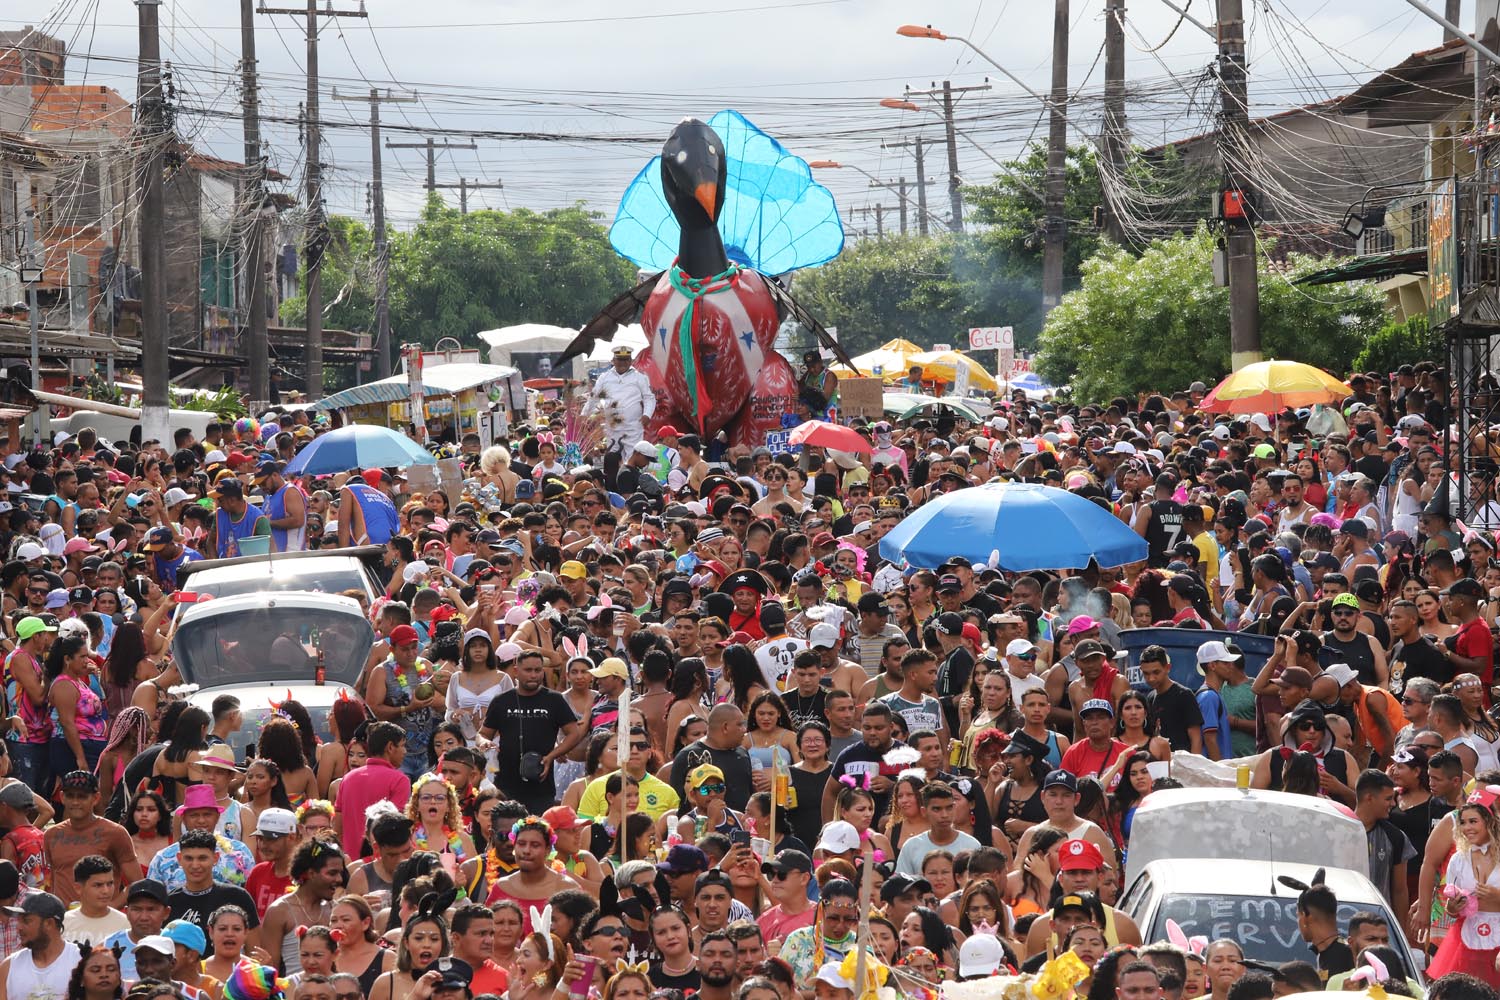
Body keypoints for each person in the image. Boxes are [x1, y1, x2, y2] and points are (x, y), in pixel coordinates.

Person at [480, 650, 585, 814]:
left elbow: (574, 733)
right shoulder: (502, 701)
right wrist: (485, 743)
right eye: (528, 670)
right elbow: (483, 733)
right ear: (516, 671)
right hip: (506, 785)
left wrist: (552, 756)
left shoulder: (554, 700)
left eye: (538, 670)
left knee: (540, 834)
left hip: (541, 786)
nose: (534, 675)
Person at [43, 771, 139, 907]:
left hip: (103, 923)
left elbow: (137, 882)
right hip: (65, 922)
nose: (75, 802)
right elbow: (50, 880)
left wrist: (110, 909)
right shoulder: (51, 835)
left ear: (95, 798)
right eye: (70, 796)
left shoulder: (115, 833)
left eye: (82, 796)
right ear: (62, 797)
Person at [0, 893, 79, 1000]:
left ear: (49, 923)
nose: (19, 927)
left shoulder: (79, 960)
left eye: (26, 921)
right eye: (19, 920)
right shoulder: (8, 967)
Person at [586, 346, 657, 454]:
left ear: (631, 361)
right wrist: (585, 414)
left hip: (633, 426)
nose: (623, 363)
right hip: (612, 427)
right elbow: (594, 397)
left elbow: (649, 398)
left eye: (626, 359)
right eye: (619, 359)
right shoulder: (604, 377)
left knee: (633, 456)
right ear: (613, 361)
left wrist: (647, 414)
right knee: (613, 457)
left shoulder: (640, 377)